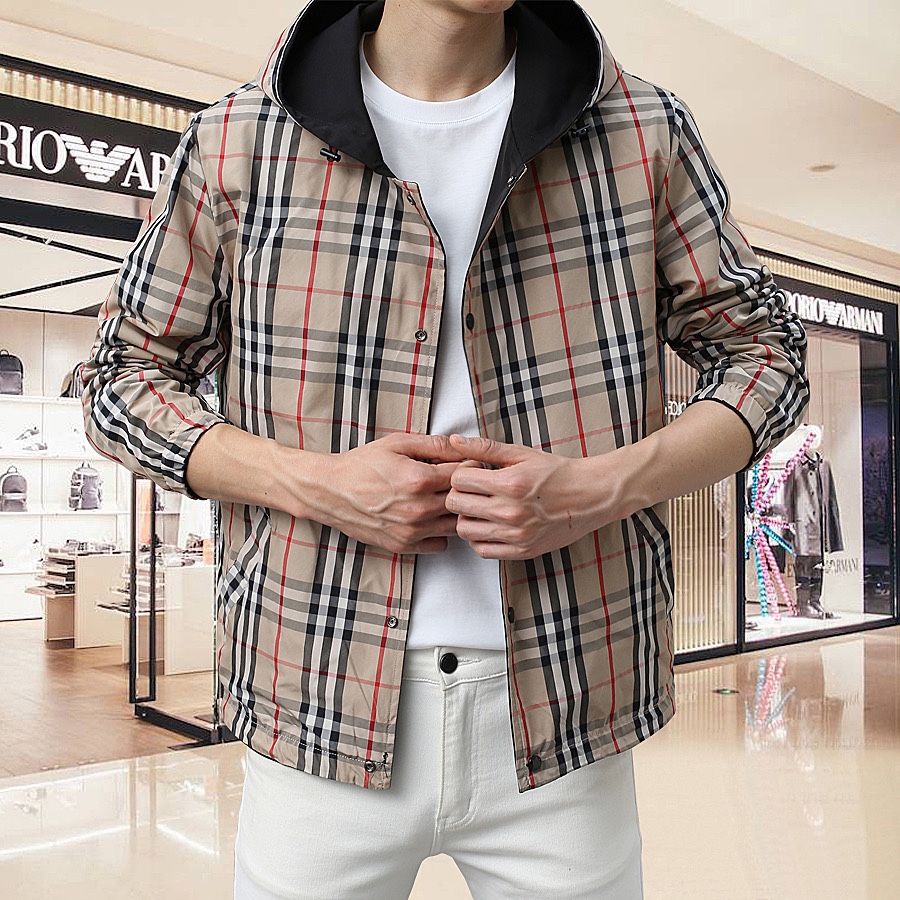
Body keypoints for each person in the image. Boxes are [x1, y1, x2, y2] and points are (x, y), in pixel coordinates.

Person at [81, 0, 809, 896]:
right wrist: (312, 484)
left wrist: (599, 488)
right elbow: (117, 381)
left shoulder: (642, 131)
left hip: (568, 705)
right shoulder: (237, 141)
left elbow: (767, 356)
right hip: (316, 698)